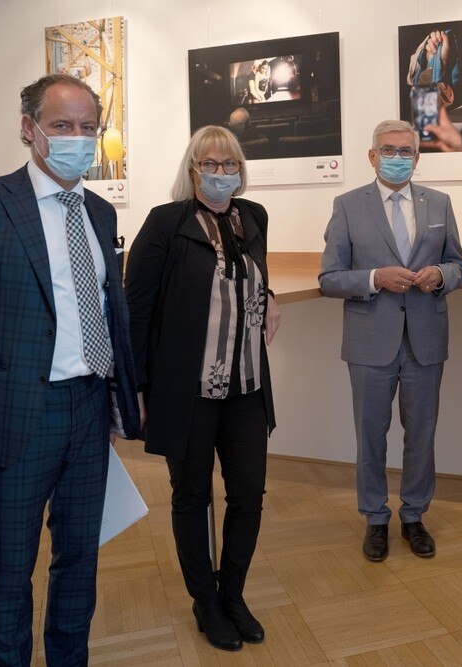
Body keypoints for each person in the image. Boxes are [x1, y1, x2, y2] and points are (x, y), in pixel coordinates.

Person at [0, 73, 140, 664]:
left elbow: (109, 313)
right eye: (62, 126)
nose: (77, 139)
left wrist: (120, 401)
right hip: (17, 417)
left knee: (80, 557)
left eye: (88, 128)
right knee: (9, 567)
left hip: (87, 412)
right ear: (29, 129)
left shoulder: (100, 214)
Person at [125, 125, 279, 652]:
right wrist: (138, 388)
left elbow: (253, 275)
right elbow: (137, 309)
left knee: (249, 496)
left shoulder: (252, 217)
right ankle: (205, 603)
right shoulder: (165, 223)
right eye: (209, 165)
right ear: (192, 170)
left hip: (247, 387)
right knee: (191, 496)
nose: (220, 174)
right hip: (186, 390)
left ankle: (233, 593)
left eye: (228, 163)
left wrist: (272, 296)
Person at [319, 120, 462, 562]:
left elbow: (458, 265)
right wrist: (374, 277)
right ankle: (375, 518)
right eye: (390, 150)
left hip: (425, 339)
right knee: (371, 436)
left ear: (418, 157)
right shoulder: (347, 206)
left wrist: (441, 275)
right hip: (370, 340)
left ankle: (414, 515)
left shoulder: (438, 203)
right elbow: (329, 278)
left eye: (407, 151)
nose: (399, 157)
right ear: (372, 155)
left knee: (421, 435)